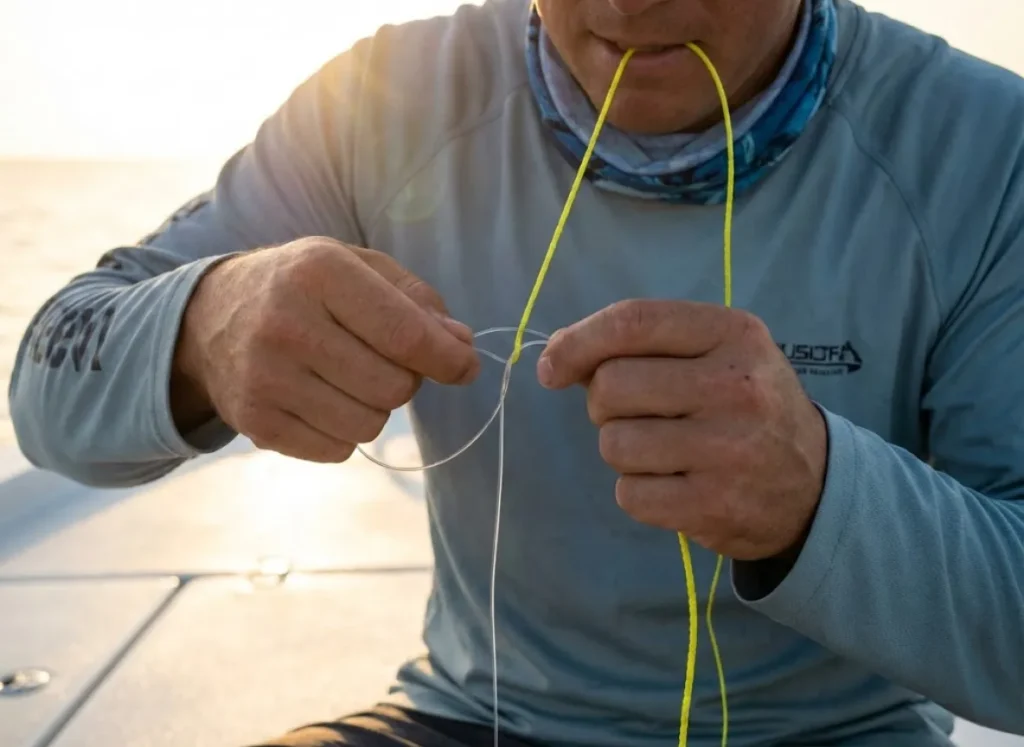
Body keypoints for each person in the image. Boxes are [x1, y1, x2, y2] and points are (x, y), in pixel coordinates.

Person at [8, 0, 1024, 744]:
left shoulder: (985, 145)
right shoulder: (378, 101)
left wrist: (818, 495)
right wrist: (201, 324)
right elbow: (50, 386)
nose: (633, 6)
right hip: (470, 720)